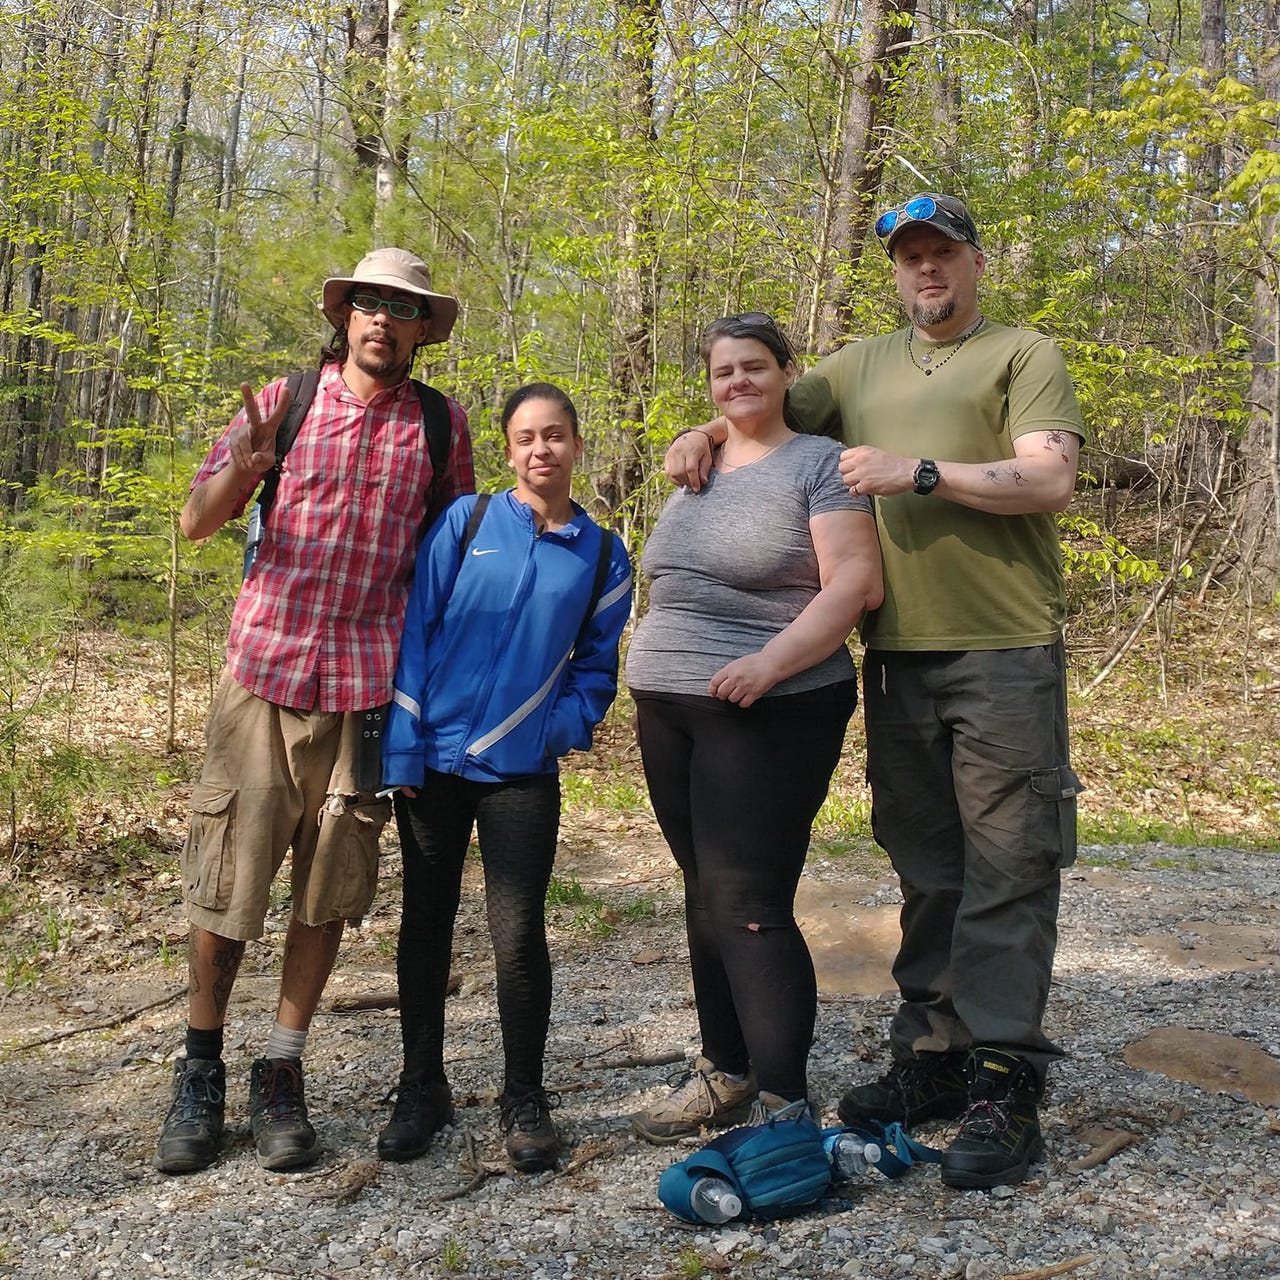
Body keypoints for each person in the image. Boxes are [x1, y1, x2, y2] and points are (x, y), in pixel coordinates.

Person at [664, 193, 1085, 1189]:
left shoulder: (1020, 355)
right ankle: (931, 1053)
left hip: (1001, 647)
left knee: (1007, 861)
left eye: (941, 254)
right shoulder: (858, 363)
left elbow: (1047, 481)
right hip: (896, 658)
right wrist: (699, 431)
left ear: (973, 262)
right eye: (909, 258)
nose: (925, 272)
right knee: (928, 864)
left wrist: (919, 470)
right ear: (894, 273)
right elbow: (757, 402)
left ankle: (1002, 1073)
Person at [155, 247, 474, 1175]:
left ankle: (282, 1069)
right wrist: (243, 472)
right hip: (263, 675)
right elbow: (196, 522)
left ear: (422, 330)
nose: (381, 319)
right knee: (228, 878)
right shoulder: (284, 400)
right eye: (367, 303)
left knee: (328, 886)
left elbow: (450, 562)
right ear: (345, 317)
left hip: (369, 693)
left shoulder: (441, 428)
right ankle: (201, 1067)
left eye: (400, 308)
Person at [628, 314, 883, 1143]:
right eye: (722, 371)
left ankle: (784, 1105)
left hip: (768, 708)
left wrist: (770, 664)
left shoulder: (818, 465)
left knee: (747, 902)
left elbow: (854, 584)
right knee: (704, 892)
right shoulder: (696, 465)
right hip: (671, 705)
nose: (737, 382)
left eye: (754, 367)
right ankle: (724, 1074)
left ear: (786, 373)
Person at [375, 382, 632, 1173]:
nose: (540, 450)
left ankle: (526, 1097)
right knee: (425, 924)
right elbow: (416, 628)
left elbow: (596, 668)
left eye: (555, 435)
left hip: (521, 774)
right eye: (525, 438)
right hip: (434, 766)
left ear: (577, 445)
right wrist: (403, 748)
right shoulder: (469, 521)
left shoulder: (602, 554)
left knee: (518, 936)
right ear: (509, 449)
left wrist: (554, 730)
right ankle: (422, 1085)